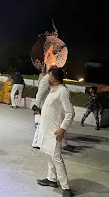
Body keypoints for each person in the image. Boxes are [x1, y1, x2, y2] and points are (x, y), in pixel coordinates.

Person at [37, 68, 75, 197]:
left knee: (57, 158)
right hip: (47, 130)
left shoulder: (62, 91)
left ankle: (66, 188)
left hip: (55, 132)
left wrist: (62, 129)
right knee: (50, 154)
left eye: (48, 75)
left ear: (53, 78)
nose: (47, 77)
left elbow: (70, 113)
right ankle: (51, 179)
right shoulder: (53, 90)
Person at [32, 67, 50, 149]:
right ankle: (36, 143)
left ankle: (38, 142)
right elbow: (40, 94)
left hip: (43, 106)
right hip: (42, 106)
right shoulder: (46, 80)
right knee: (40, 125)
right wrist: (37, 106)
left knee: (41, 125)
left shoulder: (45, 78)